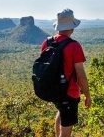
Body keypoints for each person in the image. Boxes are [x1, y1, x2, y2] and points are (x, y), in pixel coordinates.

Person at [40, 9, 91, 137]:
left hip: (54, 91)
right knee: (66, 133)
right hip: (69, 93)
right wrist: (87, 95)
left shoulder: (47, 42)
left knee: (61, 110)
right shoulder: (74, 46)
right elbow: (81, 74)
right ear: (72, 28)